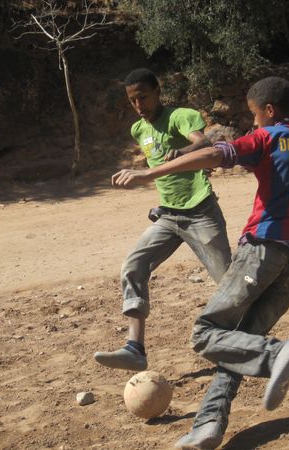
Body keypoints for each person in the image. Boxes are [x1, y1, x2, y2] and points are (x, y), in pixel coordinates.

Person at [111, 76, 289, 449]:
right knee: (240, 342)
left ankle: (276, 355)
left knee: (206, 333)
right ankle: (208, 424)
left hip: (263, 249)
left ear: (269, 111)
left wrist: (150, 172)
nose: (253, 121)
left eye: (255, 114)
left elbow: (215, 154)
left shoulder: (268, 137)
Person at [93, 68, 232, 372]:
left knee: (228, 281)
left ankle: (274, 290)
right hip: (168, 215)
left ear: (158, 91)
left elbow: (204, 143)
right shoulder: (138, 130)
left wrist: (181, 151)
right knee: (134, 264)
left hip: (200, 212)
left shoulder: (180, 116)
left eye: (143, 97)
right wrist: (161, 203)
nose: (139, 105)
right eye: (133, 101)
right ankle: (134, 348)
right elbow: (163, 174)